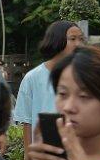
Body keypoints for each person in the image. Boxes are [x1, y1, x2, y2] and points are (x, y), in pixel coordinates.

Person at [12, 21, 85, 151]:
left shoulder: (85, 75)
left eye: (81, 39)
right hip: (45, 153)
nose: (78, 44)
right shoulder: (33, 77)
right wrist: (29, 159)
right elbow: (27, 122)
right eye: (72, 39)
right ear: (57, 40)